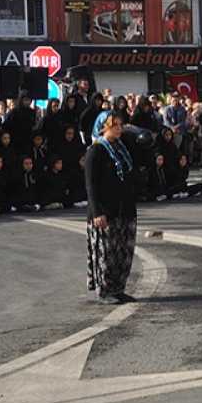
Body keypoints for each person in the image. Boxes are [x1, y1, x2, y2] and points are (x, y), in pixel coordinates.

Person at [85, 111, 138, 304]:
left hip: (124, 208)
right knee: (106, 252)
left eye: (120, 125)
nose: (119, 128)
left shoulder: (122, 147)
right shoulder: (96, 150)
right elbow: (91, 185)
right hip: (105, 210)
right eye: (114, 125)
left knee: (123, 251)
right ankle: (105, 290)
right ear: (104, 126)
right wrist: (97, 212)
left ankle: (118, 287)